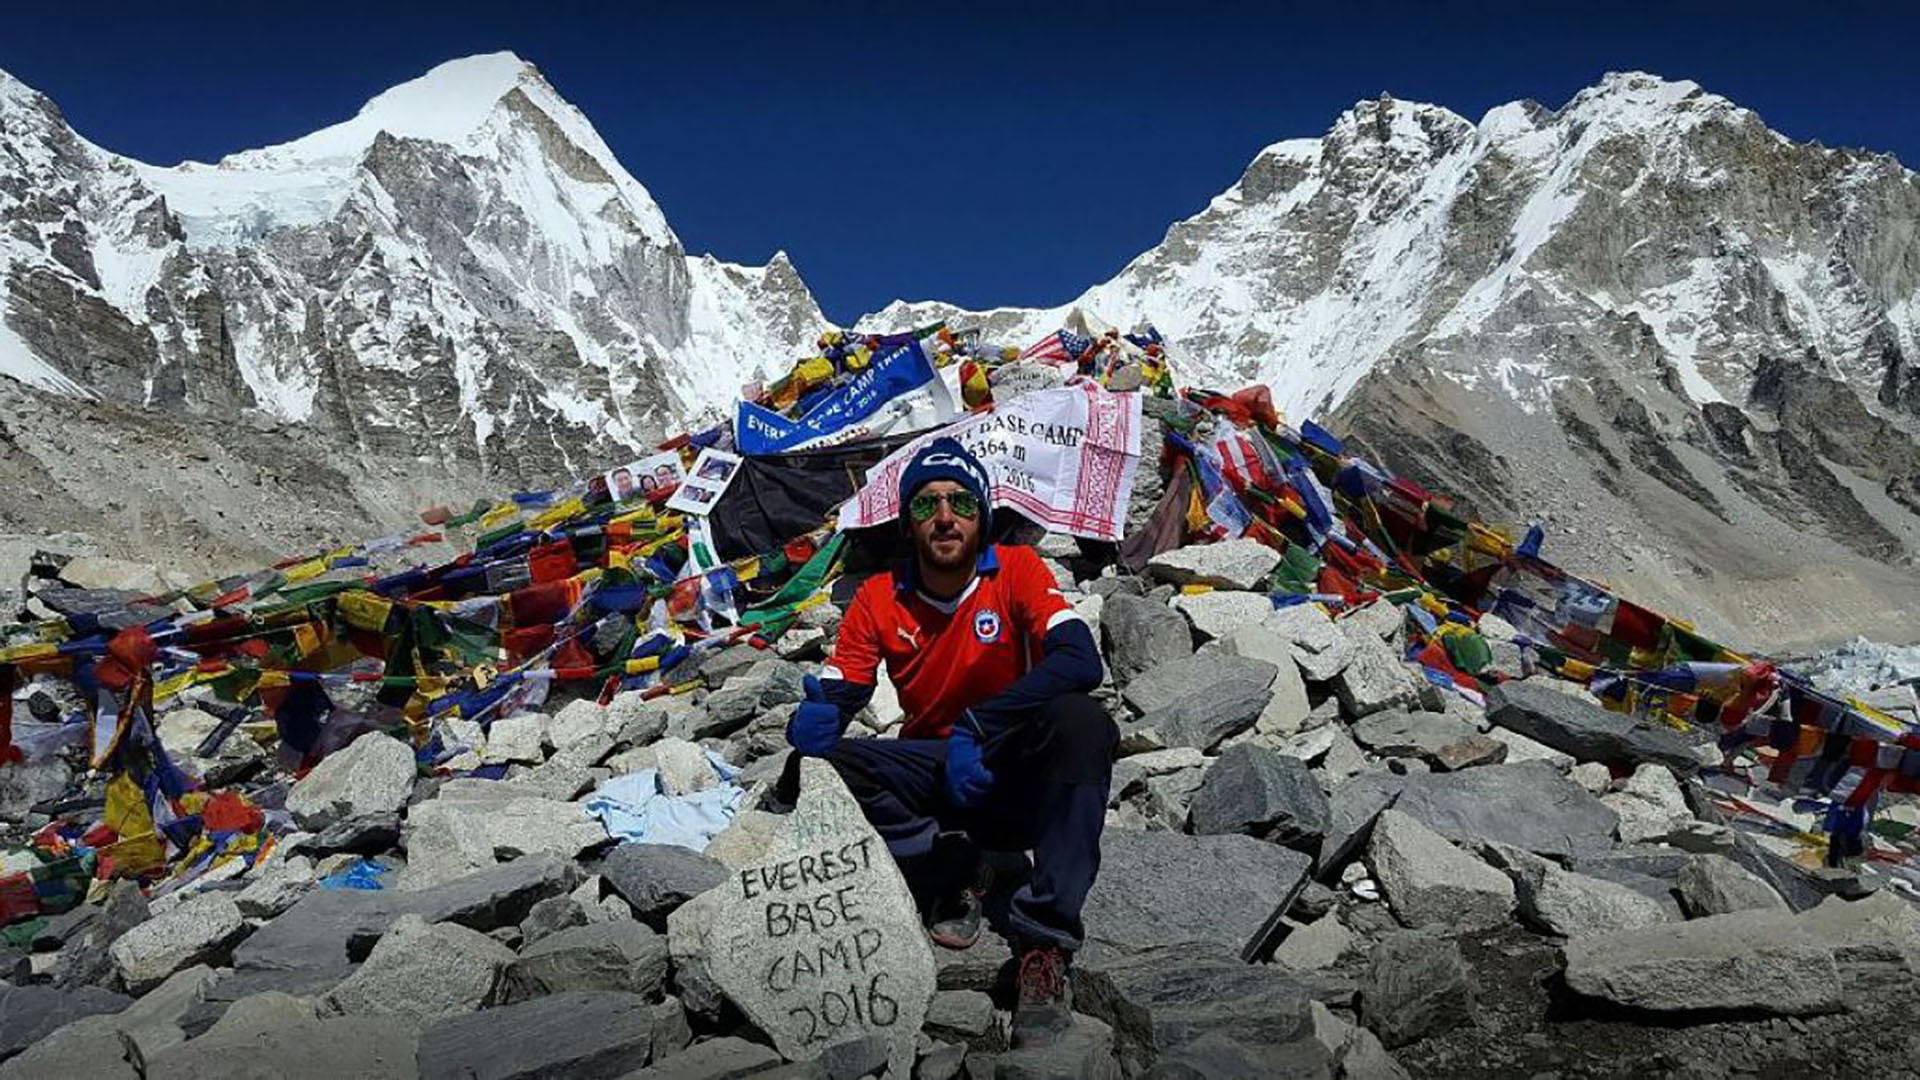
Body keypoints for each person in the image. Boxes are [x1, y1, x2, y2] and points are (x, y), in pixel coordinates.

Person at [786, 437, 1115, 1049]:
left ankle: (1044, 942)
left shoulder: (1015, 570)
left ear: (982, 514)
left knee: (1083, 724)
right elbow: (841, 689)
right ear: (908, 521)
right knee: (816, 770)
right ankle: (953, 865)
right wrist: (811, 724)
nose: (944, 517)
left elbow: (1078, 659)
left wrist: (982, 724)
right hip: (936, 775)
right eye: (926, 504)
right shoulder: (878, 597)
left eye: (961, 501)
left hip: (1010, 765)